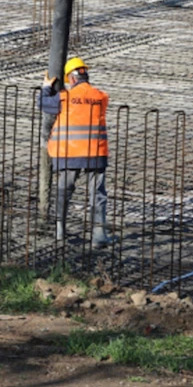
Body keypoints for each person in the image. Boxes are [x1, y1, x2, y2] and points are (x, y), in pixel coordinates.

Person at [41, 57, 115, 247]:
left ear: (71, 79)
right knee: (97, 193)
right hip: (96, 153)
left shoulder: (64, 97)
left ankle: (60, 231)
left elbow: (45, 104)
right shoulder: (101, 96)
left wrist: (46, 88)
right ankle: (99, 235)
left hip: (69, 152)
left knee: (64, 191)